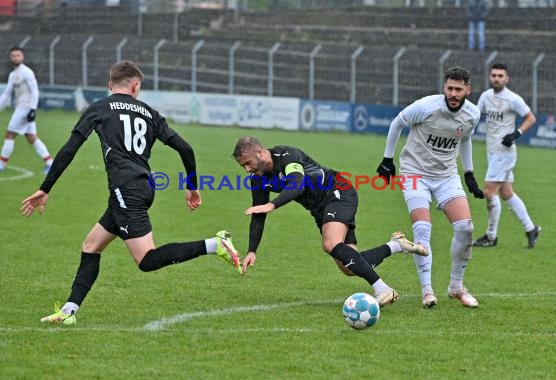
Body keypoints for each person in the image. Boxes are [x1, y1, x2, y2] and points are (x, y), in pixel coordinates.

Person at [21, 61, 242, 325]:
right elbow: (186, 149)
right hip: (141, 187)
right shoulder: (149, 113)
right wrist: (192, 185)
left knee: (146, 260)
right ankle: (68, 311)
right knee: (91, 246)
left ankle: (215, 244)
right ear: (135, 86)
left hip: (126, 189)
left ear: (109, 85)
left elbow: (70, 149)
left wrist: (45, 188)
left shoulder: (99, 109)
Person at [231, 136, 428, 307]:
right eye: (243, 166)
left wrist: (272, 205)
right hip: (320, 209)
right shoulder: (257, 179)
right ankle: (396, 245)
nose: (247, 169)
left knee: (330, 243)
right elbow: (258, 214)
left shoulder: (287, 156)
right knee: (349, 267)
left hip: (337, 191)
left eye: (248, 163)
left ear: (260, 152)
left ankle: (383, 290)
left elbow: (297, 184)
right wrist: (252, 250)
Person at [376, 66, 485, 309]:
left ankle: (456, 286)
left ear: (468, 90)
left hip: (446, 176)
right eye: (449, 88)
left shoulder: (473, 114)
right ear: (444, 87)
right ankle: (427, 291)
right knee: (422, 230)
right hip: (415, 172)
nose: (453, 93)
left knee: (466, 228)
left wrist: (469, 174)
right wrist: (387, 159)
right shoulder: (426, 106)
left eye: (458, 89)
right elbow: (397, 123)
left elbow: (464, 138)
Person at [472, 63, 541, 249]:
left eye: (500, 75)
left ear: (506, 79)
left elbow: (531, 118)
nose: (496, 78)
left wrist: (516, 134)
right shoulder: (486, 96)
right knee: (506, 193)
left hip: (505, 153)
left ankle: (491, 236)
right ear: (490, 77)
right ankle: (531, 228)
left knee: (488, 191)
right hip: (491, 151)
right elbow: (475, 115)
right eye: (494, 75)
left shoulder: (513, 99)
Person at [0, 47, 53, 174]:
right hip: (22, 108)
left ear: (22, 57)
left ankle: (2, 163)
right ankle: (50, 163)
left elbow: (35, 91)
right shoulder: (13, 75)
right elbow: (6, 94)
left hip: (26, 108)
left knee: (9, 134)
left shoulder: (27, 72)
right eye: (13, 56)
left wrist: (33, 109)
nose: (16, 58)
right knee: (31, 137)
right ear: (10, 58)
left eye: (18, 55)